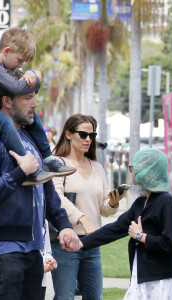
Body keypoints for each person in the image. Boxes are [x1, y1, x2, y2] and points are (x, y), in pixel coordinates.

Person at [0, 70, 80, 300]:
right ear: (6, 101)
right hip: (3, 250)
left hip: (31, 248)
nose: (34, 104)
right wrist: (20, 172)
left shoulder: (27, 137)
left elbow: (45, 188)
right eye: (27, 98)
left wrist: (64, 225)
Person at [0, 27, 75, 186]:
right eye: (19, 60)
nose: (20, 66)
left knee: (32, 119)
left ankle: (48, 159)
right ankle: (27, 168)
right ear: (6, 51)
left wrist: (31, 75)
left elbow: (22, 83)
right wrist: (36, 76)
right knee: (4, 122)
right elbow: (16, 88)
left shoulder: (6, 66)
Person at [77, 148, 172, 300]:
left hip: (163, 281)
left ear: (147, 171)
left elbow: (170, 244)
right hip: (141, 277)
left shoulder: (167, 202)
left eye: (134, 168)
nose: (131, 171)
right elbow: (115, 229)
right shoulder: (140, 203)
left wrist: (140, 236)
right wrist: (80, 243)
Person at [51, 114, 126, 300]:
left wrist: (114, 202)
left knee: (95, 297)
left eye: (92, 135)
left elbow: (103, 208)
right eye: (83, 134)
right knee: (65, 297)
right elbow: (56, 198)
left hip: (92, 242)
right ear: (68, 134)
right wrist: (81, 219)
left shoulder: (97, 167)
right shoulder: (58, 164)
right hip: (66, 242)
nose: (88, 140)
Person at [41, 220, 58, 300]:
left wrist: (50, 259)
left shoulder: (43, 217)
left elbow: (46, 250)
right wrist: (38, 266)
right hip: (22, 281)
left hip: (40, 282)